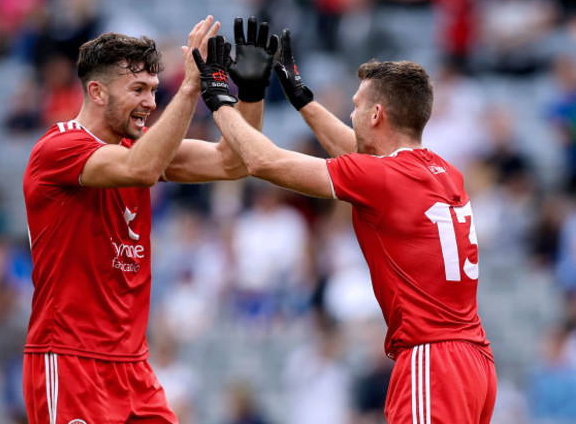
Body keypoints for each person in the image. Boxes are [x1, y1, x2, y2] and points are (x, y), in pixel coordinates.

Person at [193, 32, 497, 423]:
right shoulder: (444, 172)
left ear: (376, 115)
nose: (350, 114)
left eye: (356, 106)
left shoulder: (382, 177)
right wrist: (302, 99)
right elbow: (359, 156)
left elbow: (262, 161)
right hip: (475, 362)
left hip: (431, 359)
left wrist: (219, 99)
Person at [22, 16, 278, 424]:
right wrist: (192, 84)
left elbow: (233, 161)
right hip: (72, 362)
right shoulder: (59, 147)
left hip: (133, 367)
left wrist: (249, 88)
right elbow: (141, 168)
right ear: (96, 92)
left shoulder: (140, 147)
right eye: (138, 90)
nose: (150, 103)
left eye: (156, 90)